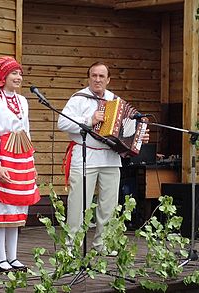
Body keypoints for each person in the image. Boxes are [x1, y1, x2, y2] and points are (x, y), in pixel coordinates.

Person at [58, 61, 150, 253]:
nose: (97, 79)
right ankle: (72, 246)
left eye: (101, 76)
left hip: (110, 158)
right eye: (94, 75)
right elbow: (62, 123)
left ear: (108, 80)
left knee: (108, 205)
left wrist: (138, 136)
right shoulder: (78, 99)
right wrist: (89, 120)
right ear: (89, 77)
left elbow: (126, 129)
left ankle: (102, 244)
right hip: (85, 156)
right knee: (78, 205)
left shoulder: (115, 101)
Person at [0, 56, 41, 272]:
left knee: (18, 204)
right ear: (3, 76)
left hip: (22, 155)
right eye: (13, 73)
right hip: (4, 154)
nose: (18, 77)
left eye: (20, 73)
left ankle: (13, 256)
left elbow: (26, 131)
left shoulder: (23, 101)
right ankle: (0, 258)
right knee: (3, 205)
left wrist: (32, 163)